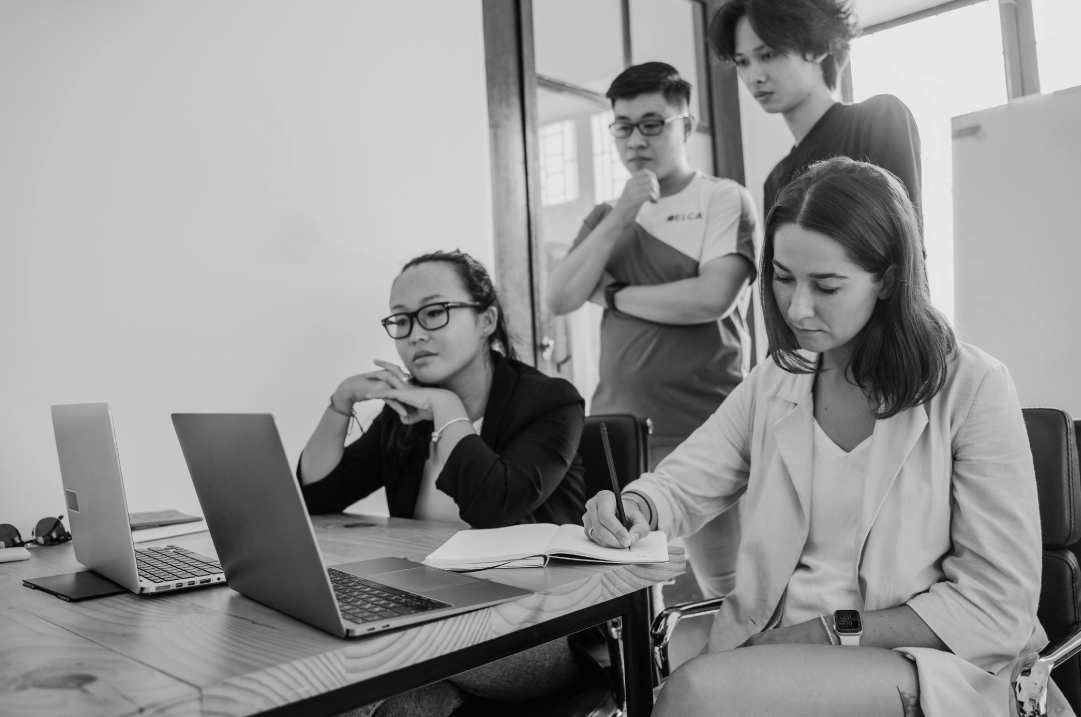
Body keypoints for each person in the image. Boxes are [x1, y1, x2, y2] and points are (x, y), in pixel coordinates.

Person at [583, 158, 1070, 716]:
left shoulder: (973, 386)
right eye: (784, 278)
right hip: (778, 654)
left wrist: (824, 635)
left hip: (930, 662)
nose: (797, 308)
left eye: (827, 285)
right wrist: (635, 507)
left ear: (889, 278)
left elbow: (997, 607)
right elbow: (683, 484)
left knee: (694, 695)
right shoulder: (776, 381)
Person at [299, 250, 594, 716]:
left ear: (486, 320)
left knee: (356, 670)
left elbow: (495, 503)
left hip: (536, 622)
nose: (415, 333)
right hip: (428, 610)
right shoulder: (404, 417)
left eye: (434, 312)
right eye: (401, 319)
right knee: (384, 699)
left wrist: (445, 407)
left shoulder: (550, 402)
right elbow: (319, 495)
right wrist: (340, 405)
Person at [547, 61, 759, 598]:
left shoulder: (723, 198)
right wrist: (622, 214)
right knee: (630, 587)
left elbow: (710, 299)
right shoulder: (607, 215)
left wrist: (614, 296)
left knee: (725, 588)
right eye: (623, 126)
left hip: (707, 423)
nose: (636, 139)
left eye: (652, 123)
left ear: (684, 127)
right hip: (619, 427)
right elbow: (561, 296)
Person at [710, 0, 922, 218]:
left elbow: (906, 242)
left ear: (817, 48)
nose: (754, 77)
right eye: (742, 62)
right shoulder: (776, 180)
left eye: (767, 55)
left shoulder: (878, 118)